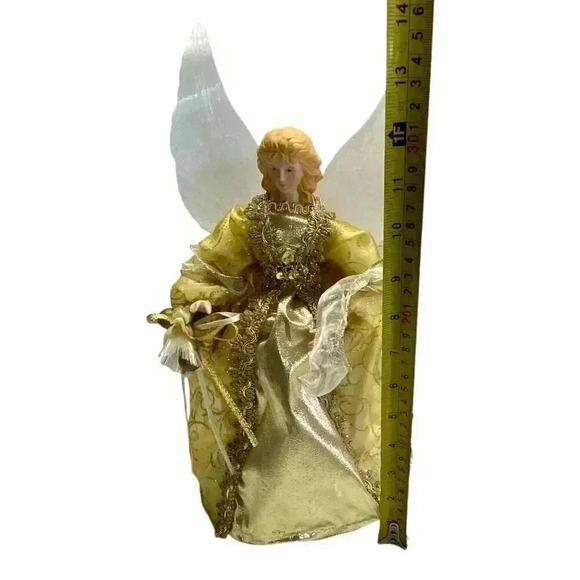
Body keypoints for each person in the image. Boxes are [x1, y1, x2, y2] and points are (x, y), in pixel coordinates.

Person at [148, 127, 383, 544]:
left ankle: (333, 488)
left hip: (309, 319)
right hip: (263, 319)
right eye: (274, 170)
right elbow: (214, 267)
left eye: (290, 169)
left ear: (306, 171)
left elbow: (365, 266)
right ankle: (263, 490)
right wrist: (199, 301)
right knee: (267, 371)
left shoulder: (324, 223)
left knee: (308, 379)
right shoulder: (248, 220)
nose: (281, 178)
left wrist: (349, 300)